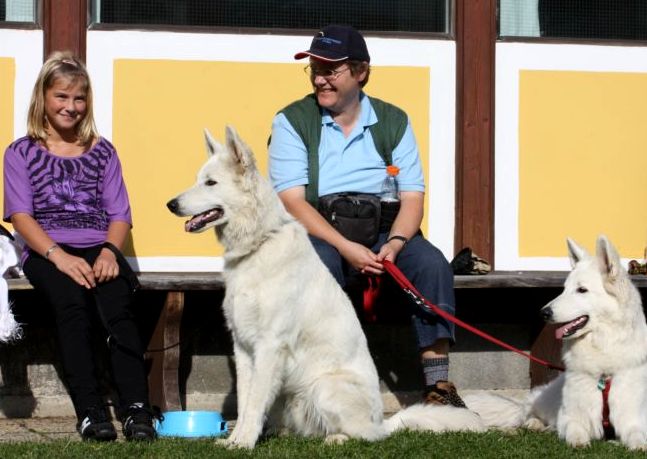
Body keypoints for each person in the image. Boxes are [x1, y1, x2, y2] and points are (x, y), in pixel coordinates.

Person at [268, 25, 465, 407]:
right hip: (321, 231)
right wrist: (345, 247)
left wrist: (396, 242)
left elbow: (412, 197)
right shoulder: (291, 120)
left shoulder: (393, 120)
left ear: (361, 72)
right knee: (318, 266)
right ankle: (321, 386)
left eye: (330, 70)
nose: (319, 79)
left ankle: (438, 387)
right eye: (314, 70)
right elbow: (293, 201)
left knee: (431, 264)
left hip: (384, 229)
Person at [3, 51, 158, 441]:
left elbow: (120, 213)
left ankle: (137, 409)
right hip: (47, 251)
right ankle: (90, 411)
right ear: (43, 97)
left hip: (99, 247)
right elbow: (21, 216)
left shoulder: (103, 151)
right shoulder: (20, 152)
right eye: (61, 96)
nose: (71, 107)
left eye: (79, 98)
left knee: (118, 309)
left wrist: (109, 252)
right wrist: (59, 257)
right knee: (71, 306)